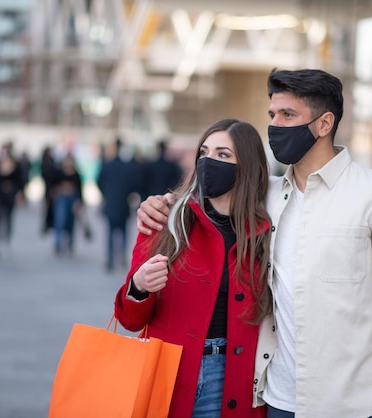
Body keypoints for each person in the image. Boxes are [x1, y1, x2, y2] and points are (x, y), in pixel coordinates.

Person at [136, 69, 372, 417]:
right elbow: (201, 198)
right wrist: (157, 205)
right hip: (280, 402)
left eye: (288, 115)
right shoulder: (262, 196)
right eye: (272, 115)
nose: (275, 126)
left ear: (324, 124)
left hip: (361, 405)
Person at [114, 118, 271, 418]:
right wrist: (139, 286)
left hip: (231, 380)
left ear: (248, 166)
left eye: (224, 155)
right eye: (204, 152)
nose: (210, 162)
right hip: (167, 377)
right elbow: (129, 320)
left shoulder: (264, 233)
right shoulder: (166, 220)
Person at [97, 138, 143, 272]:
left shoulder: (107, 165)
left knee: (110, 232)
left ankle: (110, 259)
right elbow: (135, 185)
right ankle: (122, 256)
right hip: (123, 203)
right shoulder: (128, 167)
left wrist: (106, 194)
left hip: (111, 203)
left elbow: (99, 181)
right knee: (123, 231)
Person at [0, 143, 25, 258]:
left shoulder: (15, 165)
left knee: (8, 218)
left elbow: (20, 181)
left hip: (10, 195)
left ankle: (7, 240)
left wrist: (18, 193)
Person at [51, 152, 83, 255]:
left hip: (72, 198)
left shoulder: (76, 173)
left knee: (71, 221)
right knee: (60, 219)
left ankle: (70, 243)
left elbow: (80, 188)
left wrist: (79, 201)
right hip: (62, 197)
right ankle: (58, 242)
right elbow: (53, 185)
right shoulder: (59, 172)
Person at [39, 146, 57, 234]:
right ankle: (47, 224)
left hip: (51, 186)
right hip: (48, 186)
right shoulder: (45, 162)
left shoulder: (51, 161)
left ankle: (49, 224)